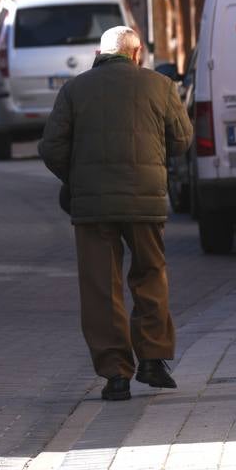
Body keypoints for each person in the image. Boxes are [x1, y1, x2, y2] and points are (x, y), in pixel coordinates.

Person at [37, 25, 193, 401]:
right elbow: (182, 140)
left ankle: (115, 375)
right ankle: (153, 360)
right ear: (137, 54)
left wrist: (76, 179)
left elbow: (51, 147)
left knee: (100, 288)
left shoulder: (74, 90)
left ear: (98, 54)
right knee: (150, 275)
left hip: (93, 207)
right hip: (145, 202)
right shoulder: (160, 86)